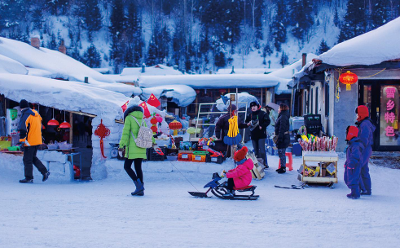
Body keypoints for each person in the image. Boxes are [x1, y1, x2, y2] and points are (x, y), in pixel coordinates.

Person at [119, 104, 152, 196]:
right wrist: (153, 142)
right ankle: (141, 190)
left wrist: (121, 145)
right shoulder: (142, 119)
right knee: (138, 168)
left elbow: (125, 133)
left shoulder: (129, 118)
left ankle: (139, 186)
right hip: (141, 147)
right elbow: (147, 132)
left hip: (132, 148)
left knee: (127, 166)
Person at [17, 99, 50, 183]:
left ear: (21, 107)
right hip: (37, 140)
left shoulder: (25, 114)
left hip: (29, 141)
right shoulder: (36, 114)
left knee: (27, 160)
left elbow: (23, 129)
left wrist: (22, 141)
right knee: (32, 158)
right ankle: (44, 171)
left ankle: (29, 178)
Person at [241, 101, 270, 168]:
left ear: (258, 106)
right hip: (253, 135)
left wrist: (262, 126)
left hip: (261, 134)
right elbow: (246, 121)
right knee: (256, 150)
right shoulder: (250, 114)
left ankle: (264, 163)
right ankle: (258, 164)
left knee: (262, 150)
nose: (253, 108)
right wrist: (248, 123)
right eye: (252, 107)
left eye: (254, 106)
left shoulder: (263, 113)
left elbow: (268, 121)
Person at [355, 105, 375, 195]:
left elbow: (364, 138)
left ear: (361, 114)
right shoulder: (364, 123)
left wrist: (358, 148)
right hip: (365, 148)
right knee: (363, 169)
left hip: (364, 149)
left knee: (358, 167)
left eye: (357, 114)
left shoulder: (365, 124)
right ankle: (367, 189)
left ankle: (362, 189)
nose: (356, 116)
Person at [344, 126, 363, 199]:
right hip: (351, 164)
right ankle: (354, 192)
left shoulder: (355, 144)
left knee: (353, 178)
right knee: (350, 177)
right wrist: (347, 163)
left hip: (354, 165)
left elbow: (356, 155)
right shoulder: (353, 143)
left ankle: (355, 193)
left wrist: (352, 163)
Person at [275, 103, 290, 174]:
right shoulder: (282, 116)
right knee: (281, 152)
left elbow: (282, 128)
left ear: (282, 109)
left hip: (283, 137)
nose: (278, 110)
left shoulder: (283, 116)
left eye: (279, 108)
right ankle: (282, 166)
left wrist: (279, 138)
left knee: (281, 152)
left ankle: (283, 168)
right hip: (283, 136)